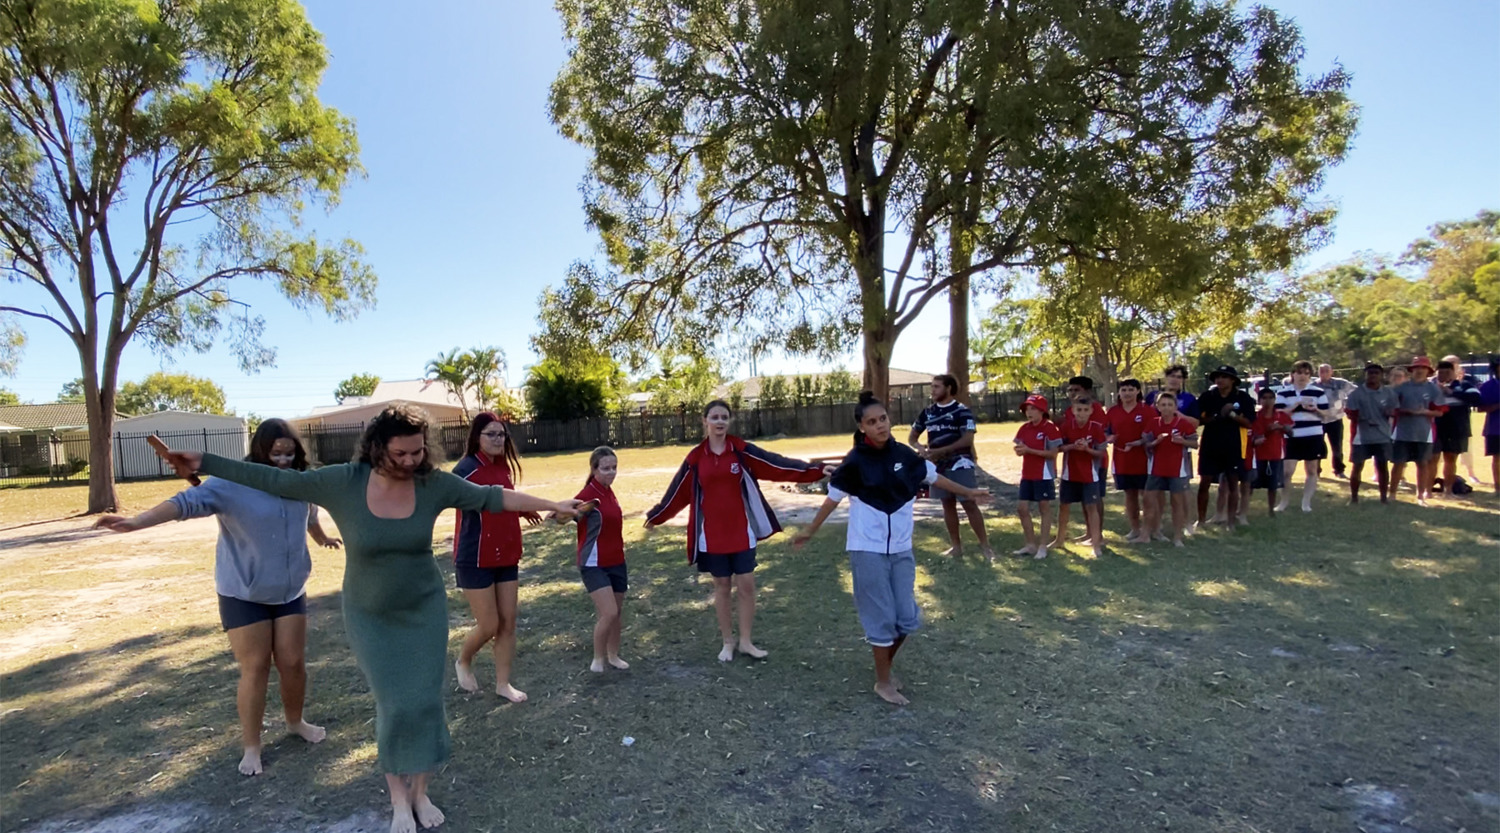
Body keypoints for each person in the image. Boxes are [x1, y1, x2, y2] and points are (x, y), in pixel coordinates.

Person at [153, 403, 587, 833]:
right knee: (395, 704)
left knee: (424, 702)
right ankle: (399, 800)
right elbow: (272, 478)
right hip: (370, 614)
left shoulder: (432, 484)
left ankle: (420, 791)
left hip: (422, 609)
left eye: (417, 452)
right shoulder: (344, 481)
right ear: (377, 448)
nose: (410, 461)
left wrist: (553, 502)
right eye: (400, 454)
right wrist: (205, 461)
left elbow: (492, 497)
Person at [95, 419, 340, 777]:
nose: (284, 459)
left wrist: (320, 539)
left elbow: (309, 515)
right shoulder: (232, 482)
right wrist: (136, 522)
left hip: (289, 590)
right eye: (277, 453)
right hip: (243, 590)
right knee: (255, 667)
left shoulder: (299, 481)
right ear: (260, 450)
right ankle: (252, 747)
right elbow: (184, 503)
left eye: (290, 453)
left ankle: (295, 722)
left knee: (292, 663)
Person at [792, 392, 990, 706]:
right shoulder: (855, 461)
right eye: (872, 422)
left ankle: (882, 663)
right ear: (862, 426)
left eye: (882, 418)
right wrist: (811, 530)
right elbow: (833, 499)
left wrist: (969, 492)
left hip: (901, 548)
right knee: (881, 619)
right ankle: (883, 682)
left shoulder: (905, 456)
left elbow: (935, 476)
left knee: (908, 618)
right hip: (866, 550)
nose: (880, 425)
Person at [644, 400, 831, 662]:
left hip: (741, 533)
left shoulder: (741, 451)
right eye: (715, 417)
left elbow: (776, 465)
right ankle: (727, 642)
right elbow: (677, 492)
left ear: (729, 421)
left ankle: (745, 641)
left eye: (724, 417)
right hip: (712, 535)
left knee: (746, 586)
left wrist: (817, 471)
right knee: (722, 587)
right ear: (705, 421)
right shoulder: (696, 458)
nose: (720, 422)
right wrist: (657, 516)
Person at [451, 413, 542, 702]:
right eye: (491, 434)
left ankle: (503, 684)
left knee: (508, 622)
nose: (498, 439)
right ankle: (463, 660)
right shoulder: (464, 470)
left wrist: (524, 510)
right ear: (477, 437)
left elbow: (505, 500)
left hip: (507, 555)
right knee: (489, 625)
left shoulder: (502, 469)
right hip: (475, 557)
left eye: (502, 434)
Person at [908, 374, 993, 559]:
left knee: (969, 503)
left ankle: (986, 547)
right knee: (947, 504)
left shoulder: (962, 411)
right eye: (932, 386)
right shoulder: (928, 412)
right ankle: (956, 547)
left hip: (960, 462)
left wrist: (943, 450)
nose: (932, 390)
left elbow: (967, 439)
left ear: (948, 388)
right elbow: (912, 437)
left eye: (936, 386)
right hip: (938, 465)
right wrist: (921, 449)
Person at [576, 447, 629, 673]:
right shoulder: (588, 494)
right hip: (593, 563)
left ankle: (613, 655)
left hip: (617, 560)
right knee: (608, 612)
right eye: (606, 468)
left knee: (616, 613)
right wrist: (560, 513)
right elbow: (570, 513)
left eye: (614, 468)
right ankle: (598, 659)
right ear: (594, 469)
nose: (611, 473)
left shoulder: (609, 491)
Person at [1195, 366, 1256, 528]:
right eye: (1217, 377)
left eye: (1224, 377)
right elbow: (1197, 419)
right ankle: (1200, 521)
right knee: (1204, 483)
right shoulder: (1208, 396)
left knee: (1232, 483)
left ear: (1233, 380)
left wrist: (1232, 414)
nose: (1219, 380)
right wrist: (1216, 415)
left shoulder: (1242, 397)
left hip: (1233, 445)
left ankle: (1230, 522)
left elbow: (1249, 423)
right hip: (1210, 445)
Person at [1051, 395, 1108, 558]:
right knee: (1064, 506)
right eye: (1078, 410)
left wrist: (1087, 450)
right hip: (1070, 473)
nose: (1081, 413)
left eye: (1085, 410)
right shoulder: (1066, 426)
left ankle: (1096, 544)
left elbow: (1101, 452)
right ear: (1073, 410)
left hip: (1090, 475)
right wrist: (1072, 446)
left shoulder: (1096, 428)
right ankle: (1059, 539)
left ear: (1091, 411)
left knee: (1092, 507)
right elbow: (1059, 448)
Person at [1275, 360, 1330, 513]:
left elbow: (1327, 413)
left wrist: (1315, 409)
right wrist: (1296, 405)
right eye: (1299, 372)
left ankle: (1306, 503)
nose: (1302, 376)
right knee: (1286, 472)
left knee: (1312, 470)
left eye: (1306, 373)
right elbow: (1278, 413)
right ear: (1292, 374)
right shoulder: (1283, 392)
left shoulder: (1317, 392)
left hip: (1313, 434)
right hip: (1291, 435)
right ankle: (1283, 502)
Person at [1012, 395, 1063, 559]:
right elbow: (1020, 447)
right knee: (1022, 508)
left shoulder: (1050, 428)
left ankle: (1043, 546)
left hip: (1044, 474)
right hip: (1027, 473)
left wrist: (1029, 451)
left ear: (1042, 410)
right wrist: (1020, 450)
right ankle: (1030, 544)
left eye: (1033, 408)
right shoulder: (1024, 428)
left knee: (1044, 508)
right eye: (1027, 409)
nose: (1029, 412)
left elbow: (1053, 454)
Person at [1144, 393, 1198, 547]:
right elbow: (1146, 444)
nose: (1166, 408)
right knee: (1149, 501)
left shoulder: (1183, 423)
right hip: (1156, 468)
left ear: (1175, 407)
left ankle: (1178, 537)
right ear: (1157, 406)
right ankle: (1146, 534)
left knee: (1177, 503)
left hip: (1177, 469)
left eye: (1169, 405)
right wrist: (1156, 441)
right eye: (1163, 405)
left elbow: (1195, 443)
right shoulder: (1153, 423)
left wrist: (1183, 441)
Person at [1391, 356, 1445, 506]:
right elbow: (1390, 408)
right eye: (1417, 368)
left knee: (1422, 463)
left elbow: (1440, 412)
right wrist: (1404, 411)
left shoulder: (1433, 389)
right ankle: (1392, 494)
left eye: (1423, 368)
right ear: (1412, 370)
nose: (1420, 370)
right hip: (1402, 430)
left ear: (1428, 371)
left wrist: (1424, 412)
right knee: (1398, 463)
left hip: (1424, 431)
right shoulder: (1402, 388)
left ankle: (1420, 496)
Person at [1063, 376, 1109, 544]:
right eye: (1070, 390)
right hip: (1075, 463)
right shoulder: (1070, 410)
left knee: (1095, 498)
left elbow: (1098, 433)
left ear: (1087, 391)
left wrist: (1085, 444)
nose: (1072, 393)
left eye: (1076, 389)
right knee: (1084, 499)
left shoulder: (1095, 408)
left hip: (1095, 462)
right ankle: (1089, 532)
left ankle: (1099, 535)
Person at [1345, 362, 1398, 504]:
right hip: (1361, 436)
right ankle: (1354, 497)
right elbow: (1350, 413)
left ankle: (1383, 497)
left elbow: (1395, 411)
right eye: (1370, 373)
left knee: (1382, 466)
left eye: (1376, 373)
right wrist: (1363, 418)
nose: (1373, 376)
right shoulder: (1356, 394)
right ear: (1365, 375)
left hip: (1383, 435)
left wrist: (1390, 413)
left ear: (1382, 375)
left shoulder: (1389, 392)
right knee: (1357, 466)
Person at [1105, 379, 1151, 542]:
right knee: (1130, 495)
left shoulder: (1147, 410)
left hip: (1144, 460)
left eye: (1131, 389)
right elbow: (1105, 432)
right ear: (1119, 392)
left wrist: (1140, 442)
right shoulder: (1112, 412)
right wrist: (1109, 438)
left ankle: (1150, 529)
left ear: (1138, 391)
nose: (1127, 393)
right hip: (1122, 460)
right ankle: (1135, 529)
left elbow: (1153, 433)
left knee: (1147, 496)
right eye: (1124, 390)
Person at [1432, 357, 1483, 497]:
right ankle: (1426, 491)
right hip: (1435, 428)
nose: (1444, 376)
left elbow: (1477, 399)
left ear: (1453, 373)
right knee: (1432, 459)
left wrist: (1452, 392)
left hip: (1457, 428)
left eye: (1447, 372)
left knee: (1450, 459)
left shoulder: (1464, 385)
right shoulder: (1430, 386)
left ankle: (1448, 491)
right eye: (1440, 373)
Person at [1248, 387, 1294, 516]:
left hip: (1276, 454)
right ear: (1259, 400)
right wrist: (1266, 432)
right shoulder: (1255, 417)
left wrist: (1282, 427)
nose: (1268, 401)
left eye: (1270, 398)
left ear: (1275, 400)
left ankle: (1270, 510)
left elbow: (1291, 433)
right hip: (1258, 455)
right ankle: (1244, 508)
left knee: (1273, 485)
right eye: (1264, 398)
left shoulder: (1281, 415)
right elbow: (1253, 435)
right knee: (1250, 483)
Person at [1317, 364, 1354, 478]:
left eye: (1327, 371)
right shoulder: (1313, 385)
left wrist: (1348, 405)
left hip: (1335, 419)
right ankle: (1316, 470)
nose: (1324, 373)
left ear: (1332, 372)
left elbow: (1355, 392)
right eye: (1321, 371)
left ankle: (1339, 470)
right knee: (1317, 446)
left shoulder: (1341, 383)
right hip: (1318, 420)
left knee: (1337, 446)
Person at [1478, 355, 1500, 496]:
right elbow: (1481, 408)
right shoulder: (1487, 386)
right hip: (1495, 428)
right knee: (1497, 458)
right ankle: (1498, 488)